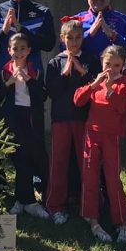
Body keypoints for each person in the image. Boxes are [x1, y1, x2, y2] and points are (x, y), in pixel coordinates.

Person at [73, 45, 126, 242]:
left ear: (123, 65)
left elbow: (122, 107)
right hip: (92, 135)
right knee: (90, 178)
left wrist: (109, 90)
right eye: (108, 64)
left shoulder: (124, 82)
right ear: (101, 63)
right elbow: (78, 101)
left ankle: (123, 222)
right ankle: (92, 220)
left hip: (111, 137)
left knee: (113, 180)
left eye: (116, 65)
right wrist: (93, 85)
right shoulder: (96, 81)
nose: (112, 69)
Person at [44, 20, 98, 225]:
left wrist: (83, 73)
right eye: (70, 38)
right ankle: (55, 206)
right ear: (62, 39)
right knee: (58, 163)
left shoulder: (91, 60)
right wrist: (66, 73)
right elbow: (53, 91)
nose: (74, 42)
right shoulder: (55, 63)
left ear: (82, 38)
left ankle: (89, 207)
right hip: (61, 120)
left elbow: (95, 87)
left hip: (84, 120)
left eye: (77, 38)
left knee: (87, 165)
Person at [1, 33, 50, 220]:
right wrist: (9, 83)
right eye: (15, 49)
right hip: (13, 120)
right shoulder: (4, 71)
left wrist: (29, 80)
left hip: (32, 120)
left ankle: (32, 200)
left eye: (23, 48)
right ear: (9, 51)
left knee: (35, 158)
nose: (19, 52)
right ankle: (24, 200)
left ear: (29, 50)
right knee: (19, 159)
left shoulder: (35, 70)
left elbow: (43, 95)